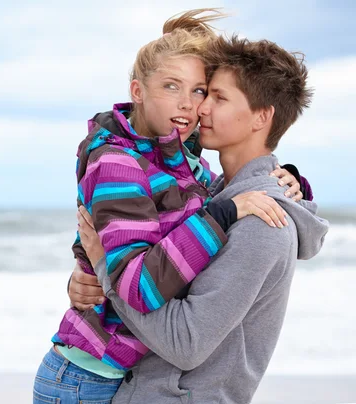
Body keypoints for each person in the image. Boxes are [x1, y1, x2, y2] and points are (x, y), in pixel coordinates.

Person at [33, 9, 309, 404]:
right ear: (138, 91)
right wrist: (96, 269)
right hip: (88, 375)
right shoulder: (118, 163)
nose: (193, 106)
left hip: (123, 371)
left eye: (202, 91)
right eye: (171, 87)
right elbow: (139, 285)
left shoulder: (182, 159)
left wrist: (292, 182)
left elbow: (215, 195)